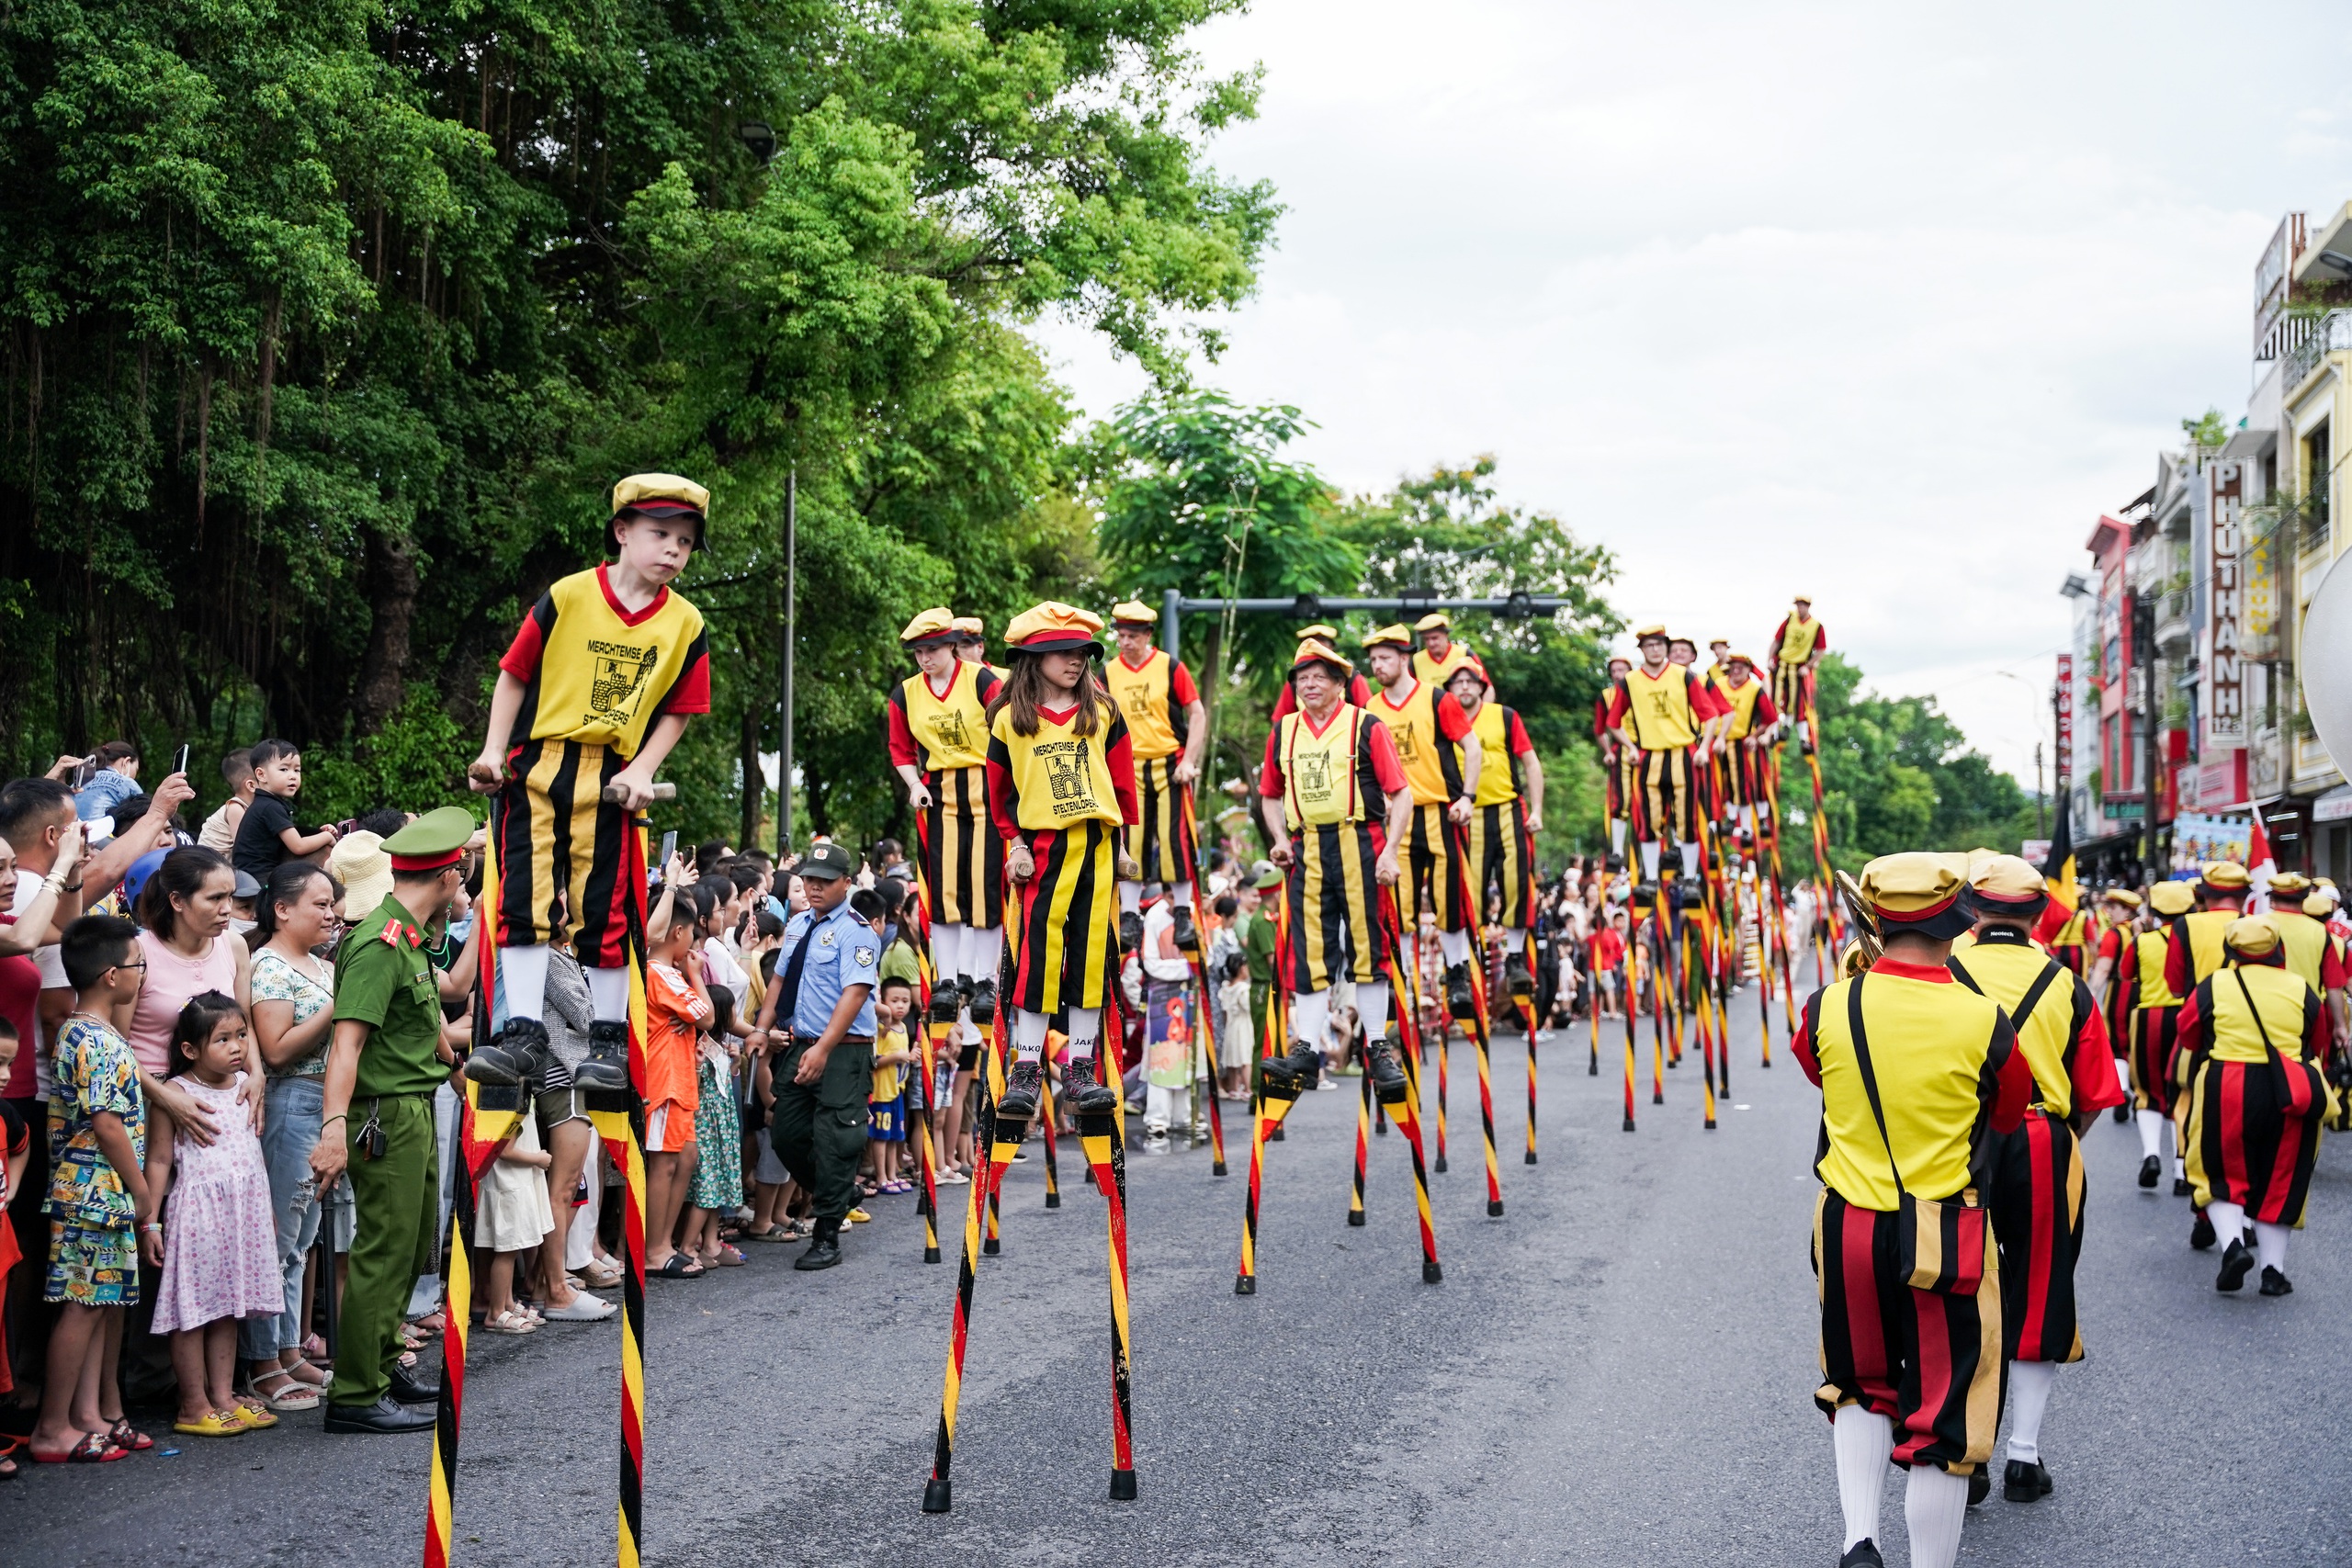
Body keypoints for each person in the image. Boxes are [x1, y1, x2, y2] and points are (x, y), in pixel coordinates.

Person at [1791, 853, 2032, 1568]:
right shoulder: (1983, 1017)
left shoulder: (1830, 1003)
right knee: (1941, 1415)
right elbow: (2011, 1111)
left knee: (1859, 1383)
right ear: (1955, 925)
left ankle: (1859, 1539)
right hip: (1942, 1231)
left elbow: (1817, 1072)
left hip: (1848, 1226)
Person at [466, 473, 713, 1094]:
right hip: (538, 762)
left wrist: (643, 769)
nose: (672, 550)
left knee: (605, 910)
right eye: (661, 534)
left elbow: (682, 706)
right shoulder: (570, 594)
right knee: (523, 900)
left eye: (684, 541)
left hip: (613, 778)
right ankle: (521, 1033)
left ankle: (606, 1042)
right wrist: (494, 750)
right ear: (622, 531)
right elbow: (514, 673)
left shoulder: (685, 622)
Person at [1946, 855, 2123, 1504]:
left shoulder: (1946, 971)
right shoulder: (2069, 984)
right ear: (2039, 913)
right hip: (2045, 1138)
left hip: (1959, 1141)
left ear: (1972, 906)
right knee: (2040, 1289)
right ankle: (2024, 1452)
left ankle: (1968, 1450)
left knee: (1959, 1284)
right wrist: (2060, 1135)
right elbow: (2098, 1093)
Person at [308, 807, 476, 1435]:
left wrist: (457, 1070)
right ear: (450, 876)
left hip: (412, 1105)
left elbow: (426, 1024)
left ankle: (381, 1363)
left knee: (407, 1253)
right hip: (383, 1115)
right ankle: (355, 1392)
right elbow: (346, 1046)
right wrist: (332, 1130)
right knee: (383, 1253)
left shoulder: (406, 936)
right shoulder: (379, 943)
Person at [978, 602, 1138, 1136]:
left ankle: (1081, 1067)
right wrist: (1014, 845)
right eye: (1062, 652)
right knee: (1037, 958)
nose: (1074, 661)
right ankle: (1026, 1068)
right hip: (1041, 850)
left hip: (1095, 843)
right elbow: (999, 796)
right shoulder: (1008, 718)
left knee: (1090, 957)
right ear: (1034, 657)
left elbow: (1121, 784)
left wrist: (1120, 847)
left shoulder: (1105, 710)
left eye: (1081, 652)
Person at [1256, 637, 1414, 1098]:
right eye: (1301, 678)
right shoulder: (1283, 731)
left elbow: (1400, 792)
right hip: (1307, 848)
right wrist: (1280, 840)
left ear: (1340, 684)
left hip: (1362, 842)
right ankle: (1306, 1048)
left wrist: (1391, 853)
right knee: (1308, 951)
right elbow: (1269, 793)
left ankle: (1378, 1046)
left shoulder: (1367, 726)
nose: (1308, 684)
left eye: (1318, 677)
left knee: (1368, 948)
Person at [28, 916, 156, 1465]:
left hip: (100, 1192)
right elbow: (105, 1122)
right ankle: (53, 1426)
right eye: (137, 964)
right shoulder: (91, 1038)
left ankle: (90, 1414)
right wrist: (142, 1188)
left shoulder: (91, 1033)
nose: (142, 973)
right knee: (82, 1305)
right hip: (93, 1190)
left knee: (102, 1302)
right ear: (111, 976)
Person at [2174, 915, 2335, 1295]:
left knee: (2216, 1170)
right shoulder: (2301, 988)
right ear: (2278, 949)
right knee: (2282, 1177)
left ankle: (2232, 1245)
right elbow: (2319, 1038)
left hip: (2226, 1085)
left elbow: (2188, 1033)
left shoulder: (2213, 985)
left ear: (2231, 951)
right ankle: (2273, 1273)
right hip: (2289, 1089)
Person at [147, 992, 283, 1437]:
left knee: (228, 1306)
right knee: (194, 1307)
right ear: (190, 1049)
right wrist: (150, 1218)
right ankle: (193, 1402)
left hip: (242, 1213)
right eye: (222, 1039)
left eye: (241, 1035)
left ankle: (222, 1396)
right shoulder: (175, 1092)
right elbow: (160, 1160)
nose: (237, 1046)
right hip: (198, 1215)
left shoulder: (247, 1083)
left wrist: (266, 1213)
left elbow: (253, 1153)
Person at [239, 862, 345, 1409]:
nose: (331, 914)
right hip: (290, 1101)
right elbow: (277, 1049)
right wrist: (338, 1003)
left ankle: (286, 1350)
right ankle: (262, 1364)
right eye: (319, 904)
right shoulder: (270, 965)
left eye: (332, 904)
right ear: (281, 910)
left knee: (302, 1241)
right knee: (277, 1239)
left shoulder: (318, 964)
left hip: (323, 1103)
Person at [752, 840, 881, 1271]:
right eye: (808, 879)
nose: (813, 887)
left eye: (824, 881)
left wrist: (825, 1048)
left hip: (844, 1051)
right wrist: (761, 1028)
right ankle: (839, 1193)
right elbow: (779, 980)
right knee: (786, 1133)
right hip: (802, 1042)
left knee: (835, 1139)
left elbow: (856, 992)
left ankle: (827, 1234)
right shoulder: (798, 925)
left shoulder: (857, 931)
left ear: (846, 883)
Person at [884, 607, 1004, 1041]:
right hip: (938, 797)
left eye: (932, 649)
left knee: (986, 888)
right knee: (944, 889)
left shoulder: (983, 681)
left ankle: (985, 981)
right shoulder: (906, 694)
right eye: (918, 651)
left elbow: (1011, 730)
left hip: (988, 792)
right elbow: (900, 749)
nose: (925, 658)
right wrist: (914, 783)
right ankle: (948, 981)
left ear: (952, 645)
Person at [1361, 626, 1483, 1021]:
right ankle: (1404, 981)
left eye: (1384, 658)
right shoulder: (1371, 710)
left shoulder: (1436, 699)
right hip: (1396, 818)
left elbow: (1472, 745)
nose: (1377, 666)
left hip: (1440, 811)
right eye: (1373, 660)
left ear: (1403, 658)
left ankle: (1457, 971)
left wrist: (1467, 796)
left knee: (1450, 896)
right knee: (1401, 901)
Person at [1106, 600, 1209, 953]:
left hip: (1170, 763)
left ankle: (1183, 912)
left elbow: (1197, 713)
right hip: (1129, 764)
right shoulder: (1108, 673)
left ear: (1148, 635)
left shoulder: (1170, 667)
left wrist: (1190, 760)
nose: (1125, 642)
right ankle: (1130, 915)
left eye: (1132, 636)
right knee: (1131, 840)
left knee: (1174, 838)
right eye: (1120, 635)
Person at [1447, 664, 1544, 1002]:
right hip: (1465, 814)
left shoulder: (1504, 716)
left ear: (1481, 685)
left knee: (1516, 882)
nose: (1464, 687)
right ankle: (1465, 962)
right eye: (1457, 682)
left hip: (1507, 808)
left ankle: (1515, 958)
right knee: (1466, 890)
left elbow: (1531, 762)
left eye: (1470, 681)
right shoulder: (1444, 719)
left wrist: (1537, 810)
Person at [1603, 626, 1725, 889]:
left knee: (1688, 818)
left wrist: (1704, 747)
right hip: (1650, 756)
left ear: (1665, 647)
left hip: (1684, 754)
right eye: (1649, 645)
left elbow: (1711, 713)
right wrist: (1631, 747)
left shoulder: (1683, 676)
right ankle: (1650, 877)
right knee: (1647, 819)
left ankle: (1691, 877)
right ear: (1642, 650)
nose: (1655, 649)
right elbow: (1612, 722)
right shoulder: (1631, 681)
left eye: (1659, 644)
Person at [121, 847, 254, 1080]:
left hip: (217, 1087)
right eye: (215, 898)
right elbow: (118, 1045)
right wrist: (167, 1098)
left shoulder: (234, 946)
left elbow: (246, 1026)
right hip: (149, 1087)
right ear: (177, 901)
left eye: (230, 896)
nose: (227, 909)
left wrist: (256, 1077)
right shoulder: (136, 954)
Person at [641, 866, 708, 1279]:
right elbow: (705, 1013)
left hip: (678, 1080)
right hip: (663, 1080)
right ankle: (654, 1250)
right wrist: (698, 979)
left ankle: (662, 1244)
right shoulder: (659, 972)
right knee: (662, 1165)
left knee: (680, 1159)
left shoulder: (668, 973)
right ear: (677, 934)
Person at [2117, 880, 2195, 1194]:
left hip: (2150, 1018)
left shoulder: (2142, 942)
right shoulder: (2197, 940)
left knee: (2147, 1090)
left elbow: (2125, 974)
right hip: (2186, 1016)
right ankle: (2181, 1170)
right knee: (2183, 1092)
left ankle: (2151, 1155)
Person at [231, 739, 339, 884]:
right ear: (261, 775)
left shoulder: (267, 803)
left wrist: (319, 833)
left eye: (297, 770)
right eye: (284, 769)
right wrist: (327, 837)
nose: (293, 775)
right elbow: (298, 846)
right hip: (258, 880)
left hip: (252, 876)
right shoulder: (270, 807)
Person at [1708, 653, 1780, 842]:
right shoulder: (1718, 684)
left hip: (1744, 744)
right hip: (1716, 743)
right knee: (1719, 785)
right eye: (1733, 666)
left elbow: (1771, 717)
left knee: (1747, 784)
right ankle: (1722, 821)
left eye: (1742, 667)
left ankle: (1751, 824)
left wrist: (1755, 736)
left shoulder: (1754, 690)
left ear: (1749, 670)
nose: (1737, 670)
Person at [868, 976, 917, 1191]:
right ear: (883, 1001)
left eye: (905, 1001)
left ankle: (892, 1173)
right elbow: (875, 1061)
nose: (900, 1005)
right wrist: (899, 1055)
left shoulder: (904, 1028)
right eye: (895, 1000)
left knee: (894, 1136)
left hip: (897, 1091)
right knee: (881, 1136)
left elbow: (903, 1057)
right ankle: (881, 1177)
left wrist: (909, 1055)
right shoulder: (881, 1030)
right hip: (881, 1092)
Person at [1769, 594, 1827, 743]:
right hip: (1783, 663)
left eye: (1803, 605)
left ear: (1808, 607)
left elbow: (1821, 650)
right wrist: (1770, 659)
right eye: (1798, 605)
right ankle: (1774, 733)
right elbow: (1776, 641)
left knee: (1798, 700)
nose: (1800, 608)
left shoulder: (1816, 626)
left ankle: (1801, 736)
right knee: (1776, 698)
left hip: (1799, 666)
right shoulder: (1789, 620)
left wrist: (1808, 666)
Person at [1594, 656, 1634, 862]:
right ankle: (1618, 851)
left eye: (1622, 670)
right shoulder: (1606, 696)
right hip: (1622, 751)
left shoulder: (1640, 689)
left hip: (1649, 747)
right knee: (1620, 799)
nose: (1618, 675)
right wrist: (1608, 751)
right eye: (1614, 671)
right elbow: (1600, 728)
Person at [198, 750, 256, 854]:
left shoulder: (249, 808)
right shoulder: (236, 808)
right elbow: (247, 851)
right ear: (251, 785)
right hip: (209, 868)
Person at [73, 742, 142, 824]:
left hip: (73, 834)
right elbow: (145, 815)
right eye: (136, 769)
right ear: (126, 762)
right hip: (103, 834)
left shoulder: (76, 785)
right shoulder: (128, 783)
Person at [1409, 611, 1479, 691]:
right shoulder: (1416, 660)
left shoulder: (1465, 654)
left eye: (1435, 638)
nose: (1431, 643)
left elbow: (1487, 687)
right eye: (1426, 639)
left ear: (1446, 635)